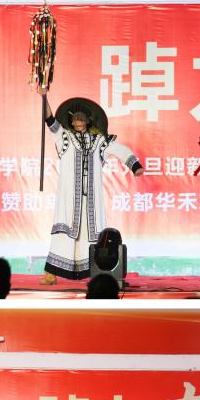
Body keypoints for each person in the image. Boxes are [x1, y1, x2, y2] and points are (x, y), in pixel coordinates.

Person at [40, 97, 142, 284]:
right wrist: (44, 95)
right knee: (65, 231)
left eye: (81, 118)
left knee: (92, 234)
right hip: (69, 198)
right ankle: (51, 272)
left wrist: (134, 165)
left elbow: (119, 149)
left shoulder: (99, 141)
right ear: (71, 122)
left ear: (88, 121)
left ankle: (97, 269)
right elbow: (49, 119)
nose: (78, 121)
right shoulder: (64, 137)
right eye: (75, 118)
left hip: (91, 199)